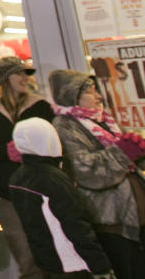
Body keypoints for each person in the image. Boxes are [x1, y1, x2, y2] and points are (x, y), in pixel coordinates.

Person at [48, 69, 145, 279]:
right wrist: (123, 153)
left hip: (133, 216)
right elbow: (84, 170)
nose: (98, 97)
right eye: (91, 92)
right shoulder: (64, 127)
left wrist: (138, 152)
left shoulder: (103, 120)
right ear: (73, 95)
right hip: (109, 220)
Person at [0, 57, 53, 279]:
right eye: (19, 74)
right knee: (25, 255)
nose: (25, 78)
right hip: (8, 193)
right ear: (5, 79)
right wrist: (4, 151)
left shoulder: (41, 107)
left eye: (26, 73)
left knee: (51, 249)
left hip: (44, 190)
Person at [8, 117, 115, 278]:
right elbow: (76, 225)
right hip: (72, 261)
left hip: (46, 259)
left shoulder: (18, 177)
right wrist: (101, 266)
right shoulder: (52, 178)